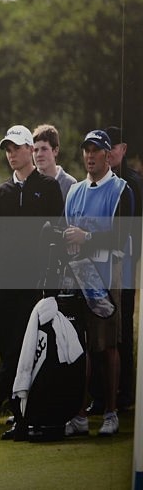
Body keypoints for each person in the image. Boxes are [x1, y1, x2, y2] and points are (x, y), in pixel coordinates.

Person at [0, 124, 64, 440]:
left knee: (26, 350)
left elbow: (57, 233)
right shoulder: (2, 192)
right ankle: (17, 415)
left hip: (37, 282)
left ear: (30, 148)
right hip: (7, 282)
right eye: (7, 149)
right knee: (12, 349)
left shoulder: (49, 187)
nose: (11, 154)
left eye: (16, 147)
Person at [63, 129, 133, 437]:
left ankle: (111, 411)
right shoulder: (75, 191)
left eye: (96, 150)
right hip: (78, 273)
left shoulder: (121, 190)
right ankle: (78, 414)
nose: (90, 155)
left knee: (107, 346)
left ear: (108, 155)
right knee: (81, 346)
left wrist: (87, 238)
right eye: (86, 150)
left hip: (107, 272)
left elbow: (125, 236)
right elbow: (69, 229)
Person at [105, 125, 141, 411]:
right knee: (102, 329)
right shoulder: (97, 182)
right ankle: (104, 395)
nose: (111, 152)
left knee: (123, 326)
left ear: (124, 149)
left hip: (128, 263)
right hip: (101, 265)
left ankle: (126, 393)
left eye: (115, 146)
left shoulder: (135, 183)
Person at [32, 123, 77, 199]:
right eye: (35, 150)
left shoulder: (70, 185)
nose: (39, 154)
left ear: (55, 151)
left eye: (44, 149)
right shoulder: (28, 183)